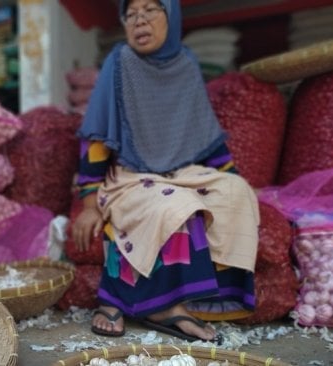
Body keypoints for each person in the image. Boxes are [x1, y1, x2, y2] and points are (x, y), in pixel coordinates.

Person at [71, 0, 259, 342]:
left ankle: (204, 300)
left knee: (237, 193)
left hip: (182, 170)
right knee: (176, 207)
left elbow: (204, 133)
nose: (139, 21)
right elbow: (98, 134)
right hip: (132, 173)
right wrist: (87, 203)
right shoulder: (120, 62)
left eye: (150, 10)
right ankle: (163, 308)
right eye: (131, 14)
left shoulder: (186, 63)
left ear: (170, 17)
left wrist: (232, 174)